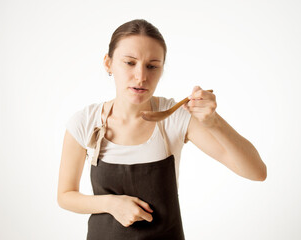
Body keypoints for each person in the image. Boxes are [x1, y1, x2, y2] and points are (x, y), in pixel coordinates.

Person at [57, 19, 267, 240]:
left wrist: (214, 122)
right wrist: (111, 203)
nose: (141, 76)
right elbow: (65, 196)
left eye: (152, 66)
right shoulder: (85, 122)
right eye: (130, 63)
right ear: (108, 64)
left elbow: (256, 172)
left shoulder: (174, 117)